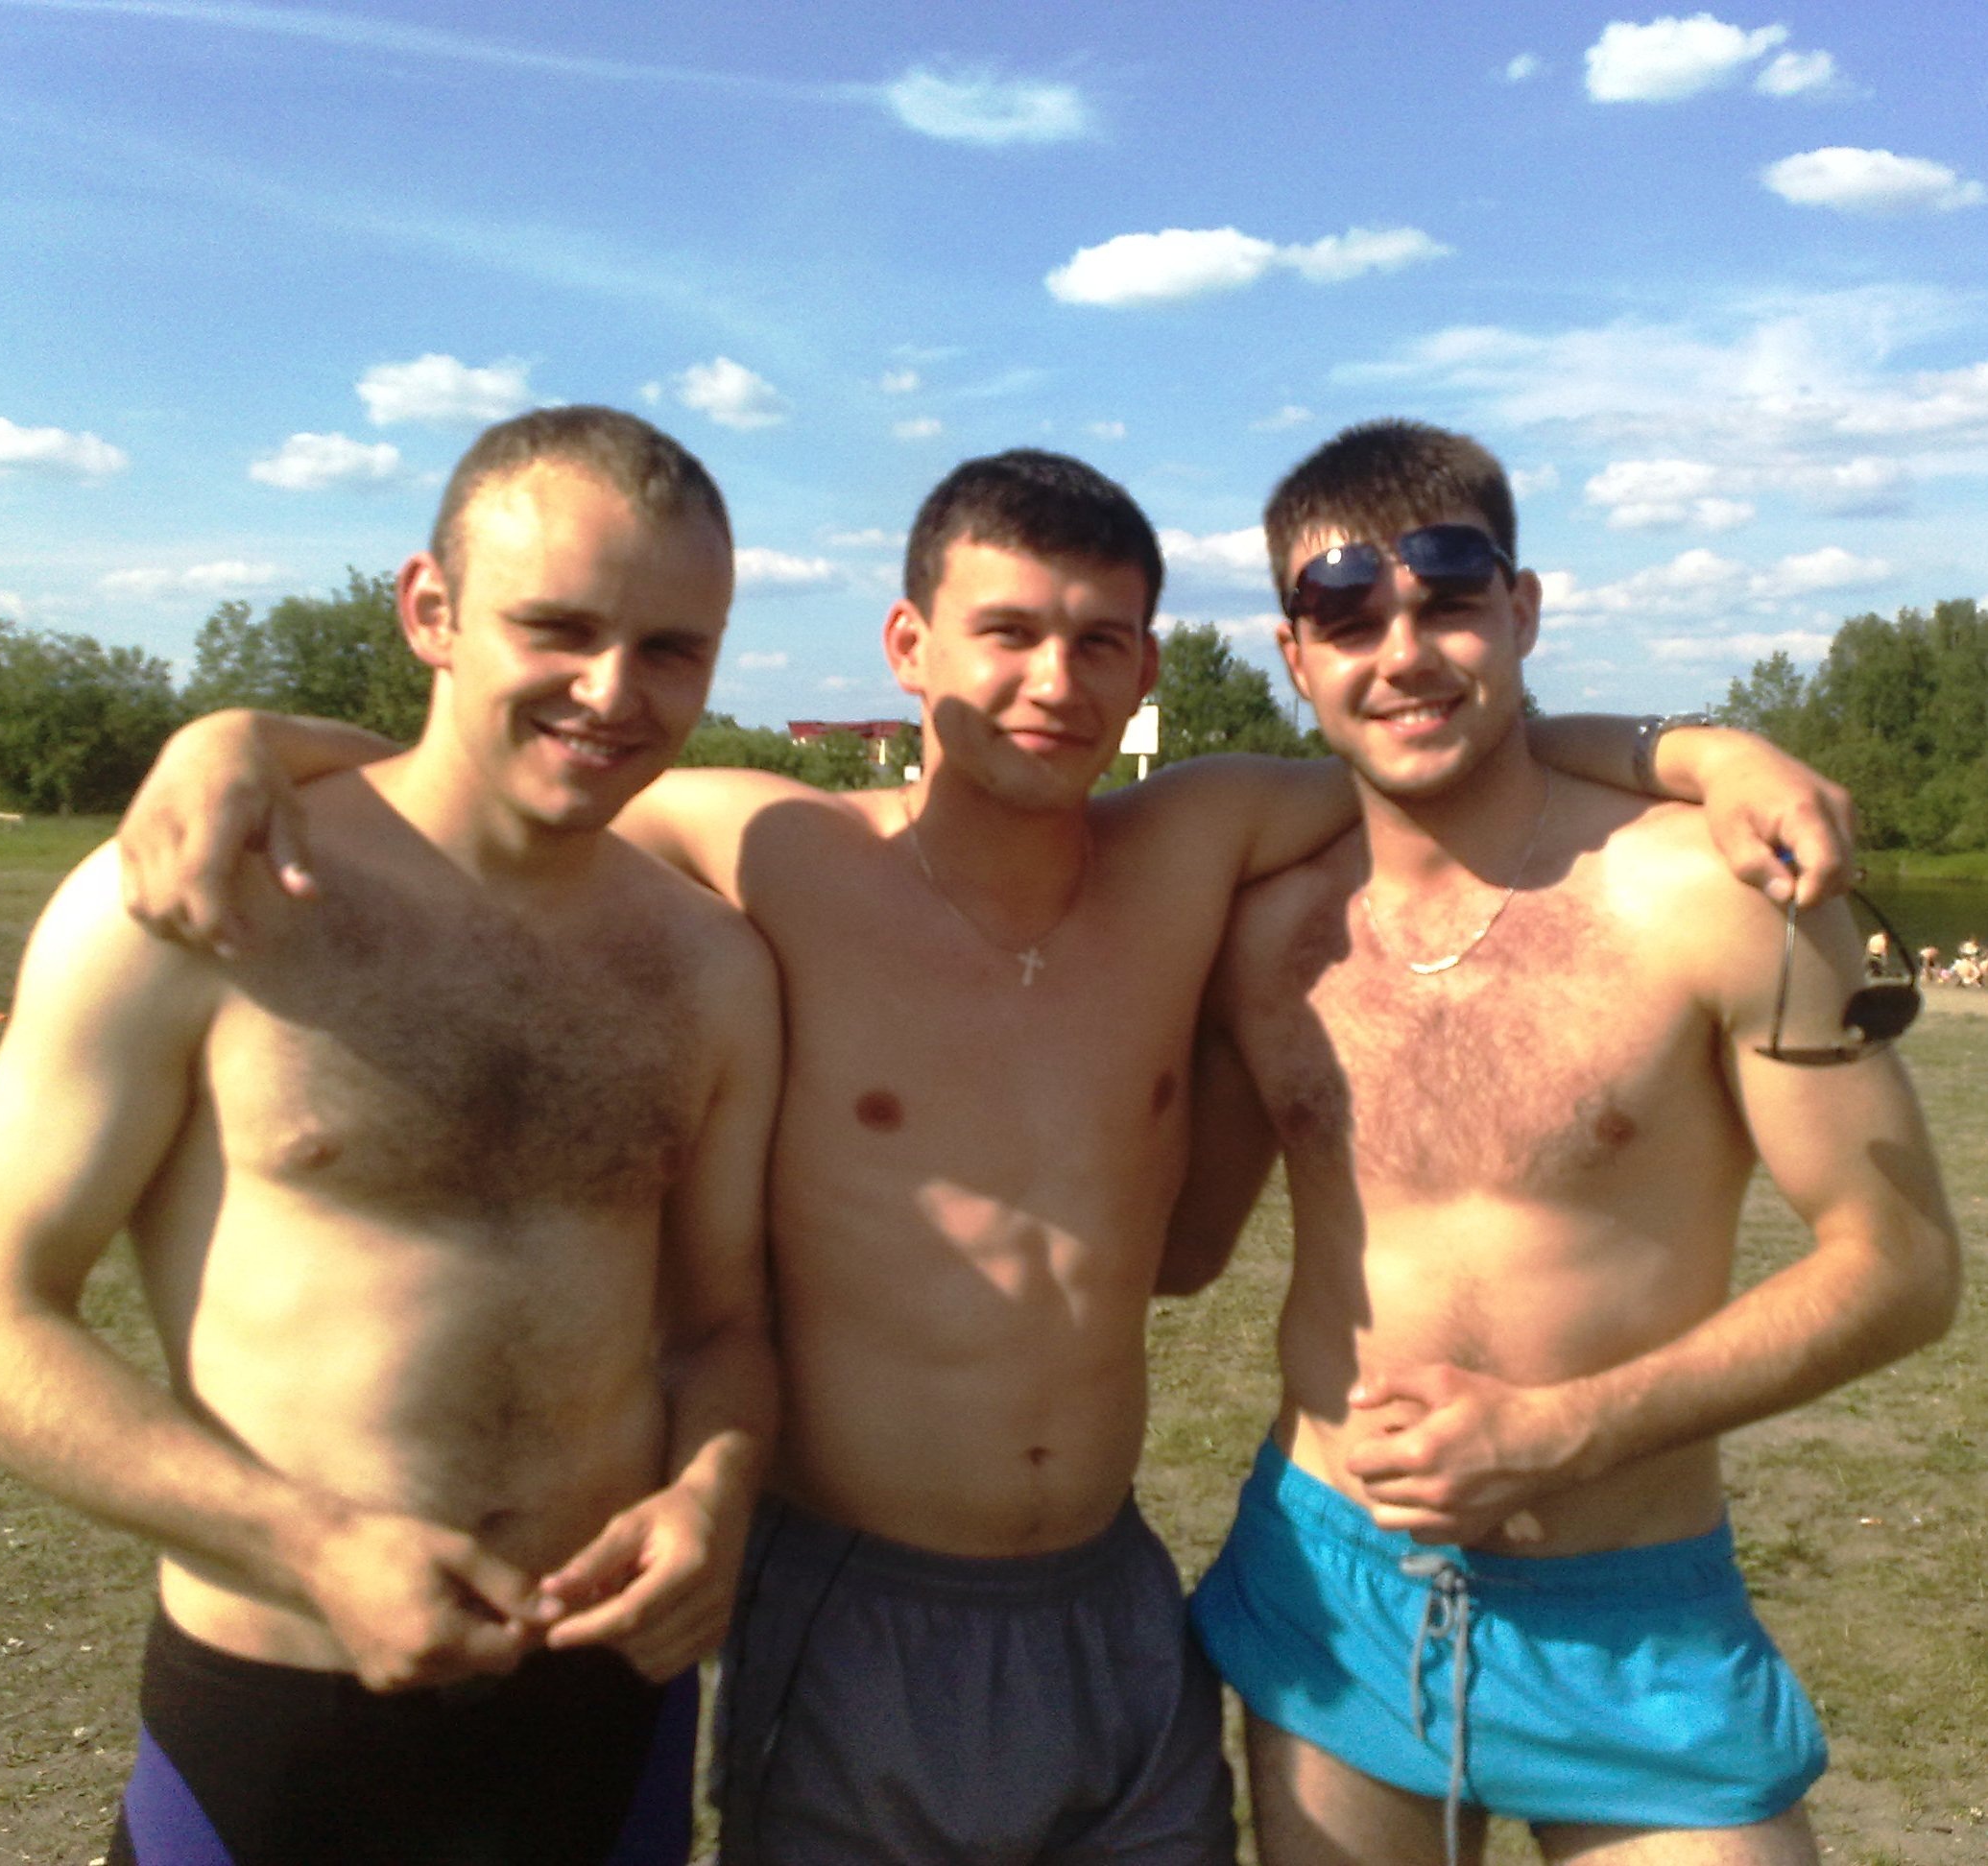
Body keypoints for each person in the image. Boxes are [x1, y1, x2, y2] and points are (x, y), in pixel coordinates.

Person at [117, 448, 1858, 1866]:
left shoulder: (1197, 838)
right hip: (852, 1590)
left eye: (1102, 642)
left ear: (1151, 668)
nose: (1052, 681)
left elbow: (1443, 731)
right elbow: (490, 764)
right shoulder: (776, 846)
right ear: (908, 644)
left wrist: (1702, 749)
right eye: (1007, 632)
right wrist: (237, 743)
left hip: (1107, 1588)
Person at [0, 407, 782, 1866]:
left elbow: (720, 1329)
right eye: (557, 627)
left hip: (602, 1706)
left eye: (670, 649)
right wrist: (310, 1544)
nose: (611, 689)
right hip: (280, 1709)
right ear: (431, 610)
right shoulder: (203, 902)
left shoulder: (712, 971)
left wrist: (716, 1484)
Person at [1173, 419, 1961, 1866]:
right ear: (1294, 656)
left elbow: (1902, 1269)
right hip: (1334, 1591)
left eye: (1449, 602)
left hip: (1633, 1615)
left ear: (1522, 610)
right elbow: (1176, 1248)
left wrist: (1562, 1430)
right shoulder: (1263, 932)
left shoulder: (1718, 896)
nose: (1403, 654)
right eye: (1348, 619)